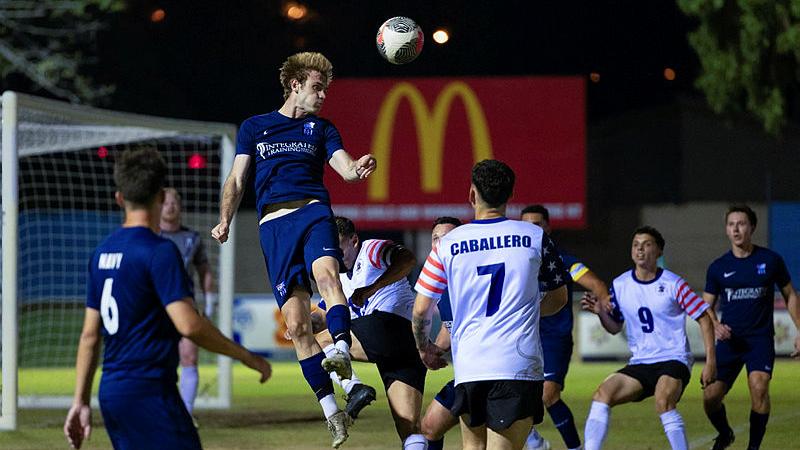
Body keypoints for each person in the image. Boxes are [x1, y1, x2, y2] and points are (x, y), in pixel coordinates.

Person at [210, 52, 376, 447]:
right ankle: (334, 409)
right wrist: (225, 219)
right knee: (297, 326)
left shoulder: (322, 129)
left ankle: (339, 349)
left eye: (325, 89)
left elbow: (345, 168)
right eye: (317, 88)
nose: (322, 96)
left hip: (313, 213)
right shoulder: (255, 127)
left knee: (326, 276)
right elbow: (236, 179)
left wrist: (358, 170)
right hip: (273, 227)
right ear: (295, 85)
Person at [64, 147, 271, 450]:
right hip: (150, 391)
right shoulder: (160, 251)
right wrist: (246, 357)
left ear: (119, 198)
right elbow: (189, 326)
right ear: (161, 197)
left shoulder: (101, 252)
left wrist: (80, 401)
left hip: (112, 393)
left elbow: (89, 336)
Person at [413, 159, 569, 450]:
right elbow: (559, 298)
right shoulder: (535, 237)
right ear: (511, 196)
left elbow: (421, 309)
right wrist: (529, 309)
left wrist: (425, 348)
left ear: (472, 195)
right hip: (517, 365)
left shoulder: (447, 244)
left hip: (471, 367)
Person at [580, 226, 716, 450]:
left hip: (674, 359)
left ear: (659, 251)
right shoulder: (620, 285)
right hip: (641, 363)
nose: (640, 249)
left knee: (663, 401)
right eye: (635, 245)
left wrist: (711, 362)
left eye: (646, 244)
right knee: (602, 394)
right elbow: (615, 328)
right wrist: (601, 313)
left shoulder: (674, 284)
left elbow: (704, 318)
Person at [313, 216, 428, 449]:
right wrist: (302, 324)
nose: (335, 255)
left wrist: (372, 288)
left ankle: (354, 388)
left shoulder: (371, 249)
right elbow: (324, 315)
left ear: (354, 240)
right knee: (409, 428)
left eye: (340, 247)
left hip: (391, 327)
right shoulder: (340, 278)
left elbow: (408, 259)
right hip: (404, 350)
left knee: (320, 342)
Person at [700, 205, 800, 450]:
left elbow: (790, 295)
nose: (736, 228)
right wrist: (716, 325)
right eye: (731, 224)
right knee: (710, 397)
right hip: (729, 342)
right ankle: (725, 433)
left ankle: (753, 447)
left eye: (741, 223)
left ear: (752, 228)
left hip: (759, 340)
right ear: (726, 229)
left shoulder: (770, 260)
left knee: (759, 388)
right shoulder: (718, 267)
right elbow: (703, 307)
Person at [520, 204, 611, 450]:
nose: (532, 229)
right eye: (526, 224)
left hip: (554, 339)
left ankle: (573, 447)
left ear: (547, 227)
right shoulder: (514, 260)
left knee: (548, 395)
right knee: (513, 394)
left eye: (537, 224)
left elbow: (596, 284)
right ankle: (533, 440)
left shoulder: (563, 260)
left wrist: (604, 305)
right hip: (521, 338)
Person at [160, 187, 215, 422]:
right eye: (166, 203)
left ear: (180, 207)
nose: (170, 206)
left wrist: (209, 304)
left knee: (189, 358)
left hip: (185, 305)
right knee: (159, 361)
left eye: (174, 202)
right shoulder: (150, 236)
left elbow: (205, 272)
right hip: (156, 308)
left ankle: (185, 415)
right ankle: (160, 412)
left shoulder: (192, 238)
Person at [419, 216, 462, 450]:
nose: (439, 244)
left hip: (492, 374)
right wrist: (434, 350)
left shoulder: (468, 278)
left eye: (447, 239)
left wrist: (421, 346)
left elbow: (420, 311)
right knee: (431, 426)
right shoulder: (443, 282)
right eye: (435, 239)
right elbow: (450, 325)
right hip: (468, 375)